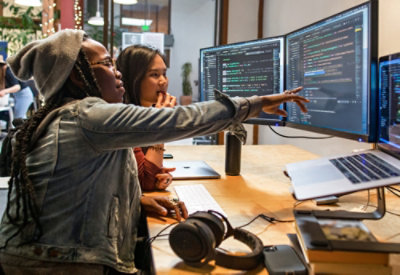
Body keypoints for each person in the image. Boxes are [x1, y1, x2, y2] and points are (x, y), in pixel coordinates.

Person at [0, 29, 308, 274]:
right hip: (54, 265)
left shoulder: (68, 116)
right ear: (79, 76)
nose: (117, 71)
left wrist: (134, 204)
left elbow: (74, 193)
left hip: (42, 254)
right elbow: (180, 120)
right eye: (107, 64)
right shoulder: (87, 116)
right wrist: (252, 105)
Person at [117, 45, 176, 191]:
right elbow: (145, 182)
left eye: (164, 73)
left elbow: (142, 175)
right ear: (134, 79)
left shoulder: (143, 114)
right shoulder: (124, 118)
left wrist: (157, 174)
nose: (163, 81)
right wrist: (161, 123)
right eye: (155, 75)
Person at [0, 55, 34, 119]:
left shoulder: (8, 71)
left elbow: (17, 87)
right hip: (16, 96)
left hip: (24, 96)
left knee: (18, 118)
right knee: (18, 117)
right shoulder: (2, 73)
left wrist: (4, 91)